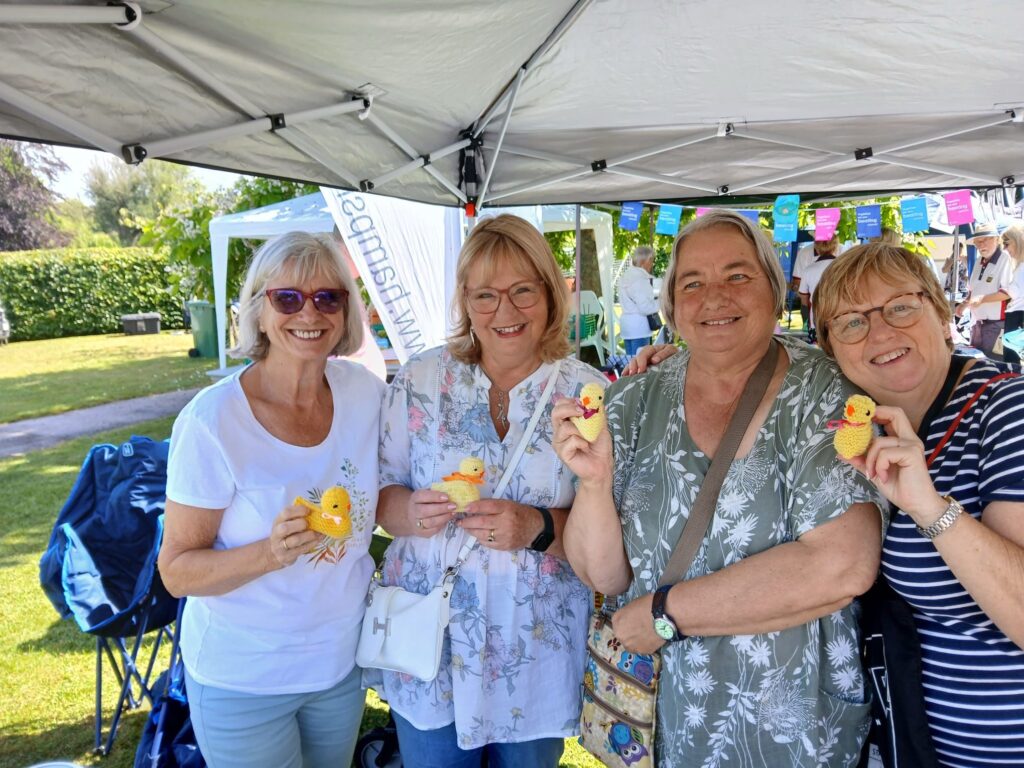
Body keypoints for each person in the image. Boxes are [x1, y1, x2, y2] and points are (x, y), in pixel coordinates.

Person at [553, 210, 883, 767]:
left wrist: (665, 614)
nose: (714, 298)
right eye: (692, 283)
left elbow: (840, 566)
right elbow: (603, 576)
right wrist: (594, 484)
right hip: (665, 726)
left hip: (793, 731)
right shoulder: (632, 402)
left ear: (775, 289)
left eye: (737, 276)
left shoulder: (826, 394)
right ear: (672, 304)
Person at [373, 214, 605, 768]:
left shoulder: (586, 392)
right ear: (465, 301)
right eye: (485, 295)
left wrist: (536, 526)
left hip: (536, 649)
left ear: (550, 294)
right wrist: (410, 511)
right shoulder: (419, 380)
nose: (505, 311)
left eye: (523, 291)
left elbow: (608, 528)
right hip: (429, 643)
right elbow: (380, 499)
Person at [158, 232, 384, 768]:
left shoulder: (366, 394)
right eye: (287, 298)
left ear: (347, 312)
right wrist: (270, 553)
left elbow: (393, 487)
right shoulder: (212, 421)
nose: (309, 312)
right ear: (258, 312)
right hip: (244, 677)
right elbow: (177, 571)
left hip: (338, 666)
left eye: (328, 297)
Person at [812, 242, 1024, 766]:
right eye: (851, 322)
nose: (880, 332)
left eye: (900, 307)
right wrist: (672, 366)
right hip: (920, 743)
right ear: (831, 349)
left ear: (941, 311)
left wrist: (931, 508)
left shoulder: (1006, 409)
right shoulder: (860, 425)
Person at [956, 222, 1015, 360]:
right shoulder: (978, 261)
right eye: (977, 241)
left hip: (997, 327)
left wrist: (981, 299)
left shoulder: (1005, 258)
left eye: (985, 240)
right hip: (977, 326)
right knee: (977, 364)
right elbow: (973, 291)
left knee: (994, 366)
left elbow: (1007, 292)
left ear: (996, 239)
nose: (981, 245)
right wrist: (965, 304)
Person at [618, 245, 662, 357]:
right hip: (639, 328)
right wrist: (662, 302)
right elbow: (645, 308)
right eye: (651, 261)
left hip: (627, 327)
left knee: (631, 364)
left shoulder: (625, 276)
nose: (651, 264)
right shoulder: (640, 279)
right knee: (640, 366)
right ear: (644, 261)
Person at [797, 234, 840, 343]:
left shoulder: (808, 270)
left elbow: (804, 299)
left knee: (819, 353)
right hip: (840, 317)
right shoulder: (843, 267)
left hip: (817, 320)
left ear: (816, 248)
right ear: (835, 247)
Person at [1002, 224, 1024, 364]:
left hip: (1018, 320)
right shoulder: (1019, 266)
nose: (1004, 248)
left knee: (1012, 367)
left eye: (1006, 243)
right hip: (1014, 319)